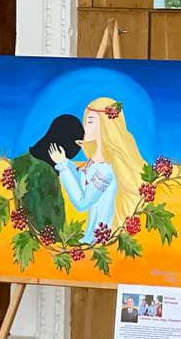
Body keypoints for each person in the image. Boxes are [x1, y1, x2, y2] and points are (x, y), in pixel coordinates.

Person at [48, 98, 148, 244]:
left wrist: (63, 166)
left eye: (89, 122)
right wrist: (65, 163)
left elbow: (82, 203)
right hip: (91, 237)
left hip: (100, 238)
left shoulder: (106, 169)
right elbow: (81, 182)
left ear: (105, 124)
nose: (85, 127)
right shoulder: (94, 163)